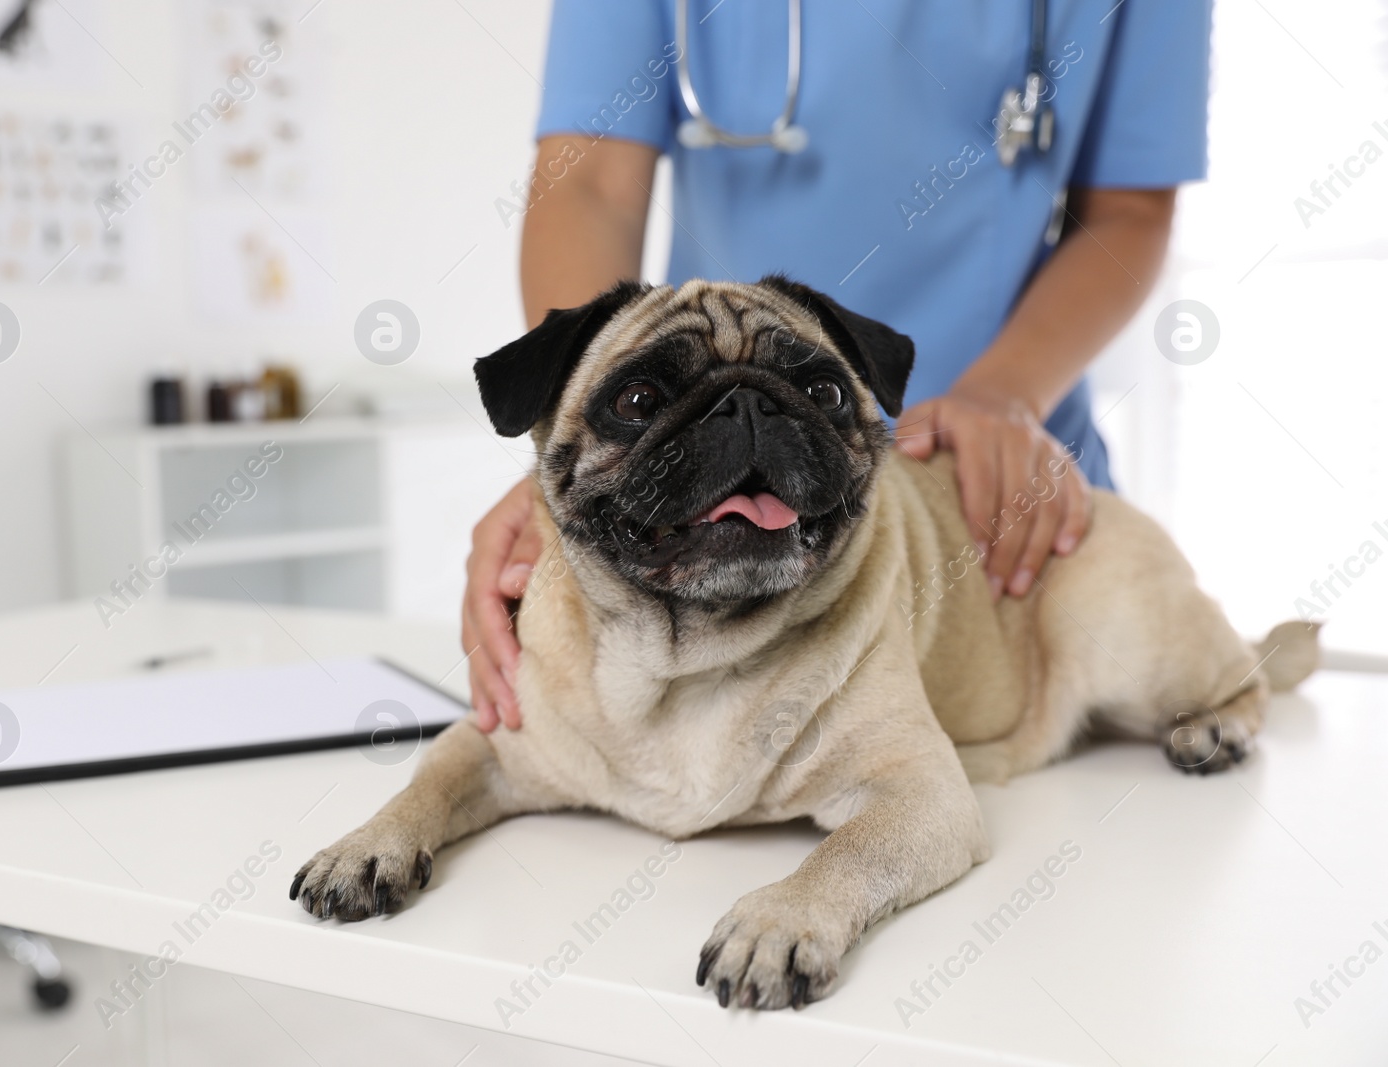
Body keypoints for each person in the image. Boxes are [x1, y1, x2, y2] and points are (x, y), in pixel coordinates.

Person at [464, 0, 1210, 730]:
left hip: (995, 503)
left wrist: (1007, 391)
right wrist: (577, 448)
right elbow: (589, 183)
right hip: (679, 498)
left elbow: (1129, 212)